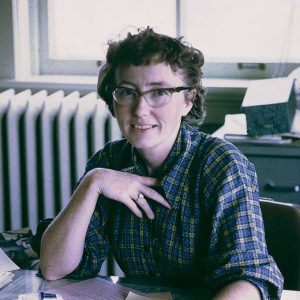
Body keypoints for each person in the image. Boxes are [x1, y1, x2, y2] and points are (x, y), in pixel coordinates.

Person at [40, 27, 283, 299]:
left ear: (188, 100)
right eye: (128, 92)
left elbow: (247, 278)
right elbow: (54, 268)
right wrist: (92, 181)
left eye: (159, 93)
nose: (141, 109)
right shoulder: (109, 161)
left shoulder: (222, 165)